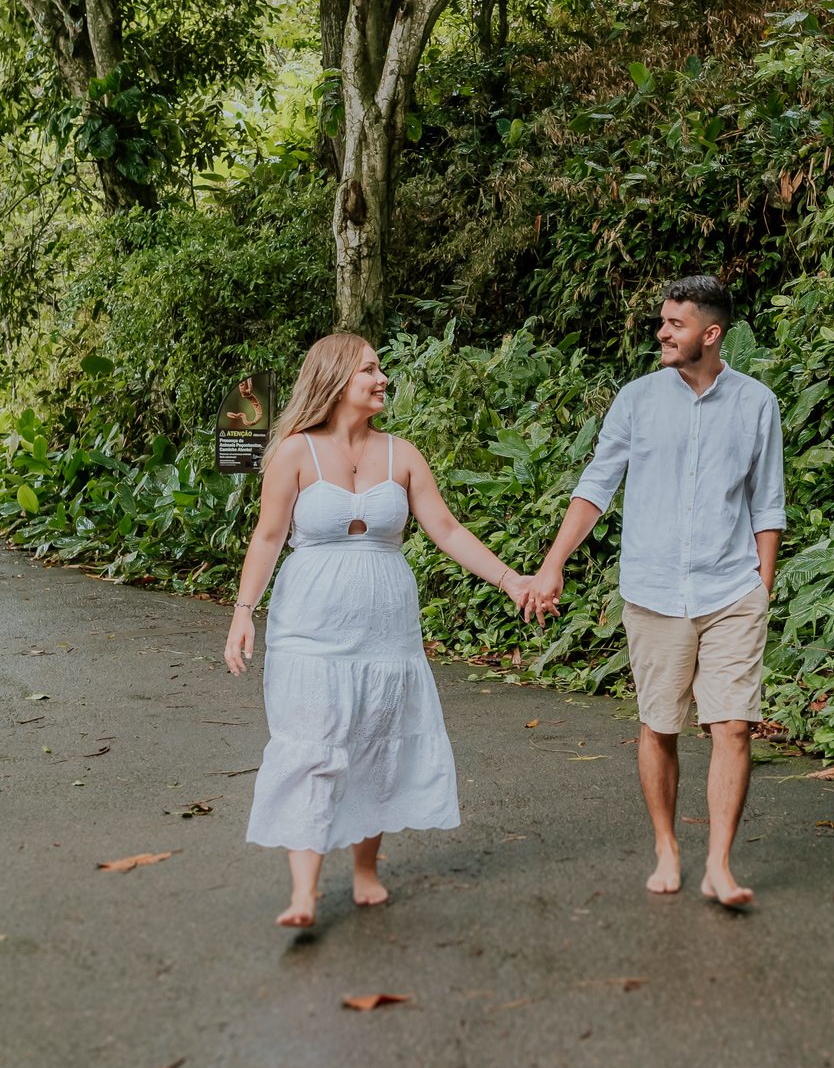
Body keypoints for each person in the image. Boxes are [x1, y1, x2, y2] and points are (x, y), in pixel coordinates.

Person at [225, 332, 533, 928]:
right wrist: (243, 611)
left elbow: (446, 529)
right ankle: (304, 893)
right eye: (371, 368)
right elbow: (267, 537)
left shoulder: (403, 454)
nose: (382, 377)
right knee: (312, 742)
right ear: (338, 379)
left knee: (375, 743)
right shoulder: (294, 453)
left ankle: (366, 868)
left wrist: (509, 579)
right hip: (310, 628)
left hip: (386, 629)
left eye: (380, 368)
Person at [528, 276, 786, 908]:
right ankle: (668, 846)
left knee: (733, 727)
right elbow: (597, 485)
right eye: (663, 321)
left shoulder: (757, 404)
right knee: (660, 726)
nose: (663, 332)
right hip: (654, 591)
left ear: (711, 333)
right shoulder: (637, 400)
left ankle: (719, 865)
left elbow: (767, 503)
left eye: (675, 324)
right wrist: (553, 562)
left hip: (731, 590)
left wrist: (762, 586)